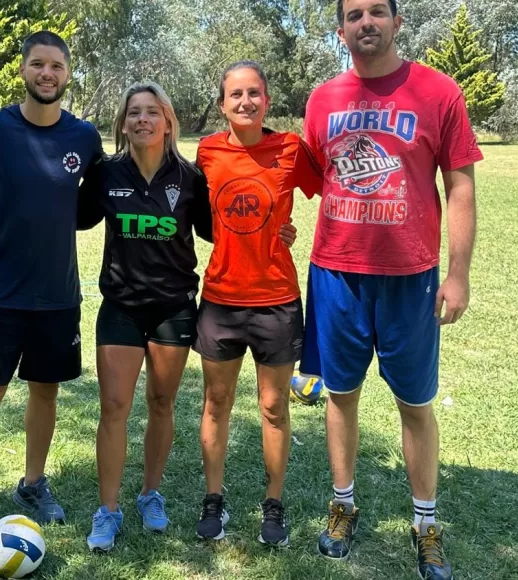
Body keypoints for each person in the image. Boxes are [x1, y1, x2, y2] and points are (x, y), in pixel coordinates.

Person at [76, 82, 299, 552]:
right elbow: (72, 217)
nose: (142, 120)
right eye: (133, 112)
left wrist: (278, 227)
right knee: (114, 407)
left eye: (151, 112)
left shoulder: (191, 177)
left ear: (168, 121)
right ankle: (108, 509)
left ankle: (150, 494)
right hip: (120, 305)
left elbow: (223, 230)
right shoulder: (105, 173)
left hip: (174, 304)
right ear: (122, 122)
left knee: (162, 402)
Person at [301, 1, 482, 578]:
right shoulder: (323, 99)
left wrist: (458, 272)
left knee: (415, 403)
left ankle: (426, 524)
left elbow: (459, 187)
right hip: (336, 273)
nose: (366, 22)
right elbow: (305, 174)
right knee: (340, 396)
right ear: (341, 31)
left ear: (398, 22)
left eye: (378, 11)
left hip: (410, 277)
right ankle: (342, 505)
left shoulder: (437, 92)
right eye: (354, 15)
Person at [0, 31, 103, 543]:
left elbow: (98, 202)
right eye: (38, 64)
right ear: (23, 71)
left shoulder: (84, 137)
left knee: (45, 390)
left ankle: (33, 482)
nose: (47, 74)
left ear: (67, 73)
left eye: (56, 65)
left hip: (58, 293)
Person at [193, 61, 323, 547]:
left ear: (266, 99)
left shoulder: (290, 147)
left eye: (254, 93)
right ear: (223, 103)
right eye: (235, 95)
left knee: (273, 407)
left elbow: (330, 193)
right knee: (217, 403)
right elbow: (199, 214)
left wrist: (291, 233)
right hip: (221, 300)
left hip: (277, 300)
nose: (245, 102)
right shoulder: (207, 152)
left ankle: (273, 504)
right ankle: (213, 499)